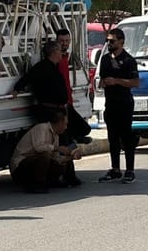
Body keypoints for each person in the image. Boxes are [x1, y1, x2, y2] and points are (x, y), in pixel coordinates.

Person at [98, 28, 141, 184]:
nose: (109, 43)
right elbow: (102, 80)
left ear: (121, 42)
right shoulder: (105, 59)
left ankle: (130, 170)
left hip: (124, 104)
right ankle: (115, 169)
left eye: (112, 41)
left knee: (127, 138)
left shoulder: (129, 60)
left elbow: (135, 82)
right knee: (112, 138)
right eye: (107, 41)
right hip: (110, 104)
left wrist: (116, 81)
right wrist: (103, 83)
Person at [10, 107, 82, 193]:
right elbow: (39, 148)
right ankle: (37, 185)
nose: (65, 127)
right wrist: (57, 148)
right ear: (59, 122)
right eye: (65, 124)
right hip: (20, 168)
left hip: (33, 165)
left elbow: (56, 158)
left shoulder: (55, 136)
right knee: (45, 155)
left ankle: (53, 181)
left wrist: (71, 157)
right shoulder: (42, 128)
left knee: (59, 165)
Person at [12, 40, 67, 123]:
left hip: (58, 109)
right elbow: (27, 78)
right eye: (60, 50)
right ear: (54, 52)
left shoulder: (56, 67)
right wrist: (16, 89)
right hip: (48, 110)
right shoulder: (41, 67)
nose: (61, 53)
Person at [55, 28, 92, 145]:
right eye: (62, 41)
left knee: (83, 129)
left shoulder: (65, 57)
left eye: (67, 41)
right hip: (62, 103)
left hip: (68, 101)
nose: (64, 43)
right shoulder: (56, 60)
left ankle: (73, 140)